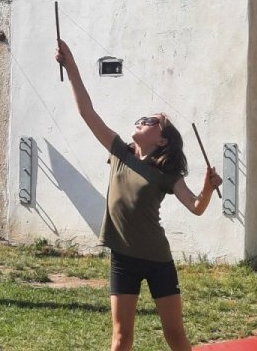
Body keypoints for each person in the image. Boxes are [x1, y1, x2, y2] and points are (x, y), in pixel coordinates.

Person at [55, 40, 223, 351]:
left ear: (162, 140)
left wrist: (208, 189)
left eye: (151, 121)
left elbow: (196, 207)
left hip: (158, 259)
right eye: (141, 118)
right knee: (121, 338)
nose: (142, 121)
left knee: (175, 336)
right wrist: (72, 66)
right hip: (123, 258)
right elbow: (86, 111)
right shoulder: (120, 152)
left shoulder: (167, 174)